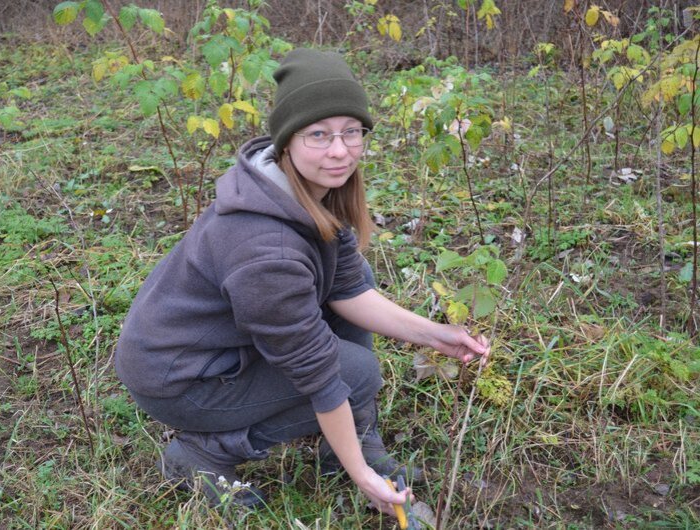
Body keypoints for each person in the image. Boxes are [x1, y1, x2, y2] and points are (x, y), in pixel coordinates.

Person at [114, 48, 489, 517]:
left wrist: (440, 336)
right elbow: (317, 374)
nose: (340, 150)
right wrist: (364, 479)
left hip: (218, 349)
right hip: (183, 379)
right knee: (355, 374)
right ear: (287, 140)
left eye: (351, 132)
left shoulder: (308, 190)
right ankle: (205, 452)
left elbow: (349, 289)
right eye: (319, 134)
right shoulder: (264, 248)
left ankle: (350, 446)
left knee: (359, 283)